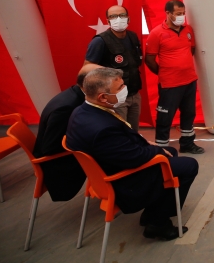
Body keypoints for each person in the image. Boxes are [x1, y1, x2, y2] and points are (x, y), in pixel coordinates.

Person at [66, 68, 199, 240]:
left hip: (108, 165)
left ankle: (153, 210)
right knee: (189, 166)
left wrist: (148, 144)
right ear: (103, 97)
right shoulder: (102, 128)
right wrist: (157, 150)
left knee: (171, 152)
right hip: (123, 179)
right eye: (119, 88)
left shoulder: (83, 111)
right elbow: (135, 158)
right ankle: (158, 224)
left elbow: (122, 144)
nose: (124, 90)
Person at [33, 64, 102, 201]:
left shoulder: (75, 95)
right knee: (113, 154)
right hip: (58, 165)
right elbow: (50, 147)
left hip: (64, 153)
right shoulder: (66, 108)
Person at [145, 0, 204, 154]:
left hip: (189, 80)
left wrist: (182, 67)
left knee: (189, 114)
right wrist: (165, 72)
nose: (182, 17)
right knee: (165, 116)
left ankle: (187, 144)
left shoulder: (188, 30)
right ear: (168, 13)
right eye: (178, 14)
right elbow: (149, 59)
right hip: (169, 84)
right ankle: (162, 148)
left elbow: (191, 50)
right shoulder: (157, 33)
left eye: (183, 13)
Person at [84, 5, 143, 131]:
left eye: (122, 15)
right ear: (108, 21)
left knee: (133, 132)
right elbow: (87, 68)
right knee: (120, 132)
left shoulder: (133, 37)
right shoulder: (100, 41)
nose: (118, 19)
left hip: (134, 94)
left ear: (128, 18)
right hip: (115, 98)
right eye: (113, 16)